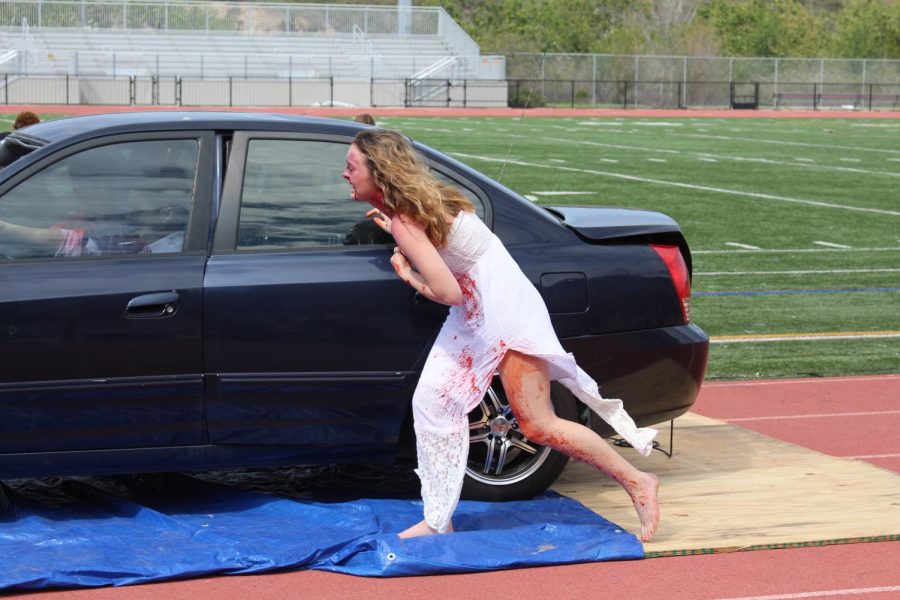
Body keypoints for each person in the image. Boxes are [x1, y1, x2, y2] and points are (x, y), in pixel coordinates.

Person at [342, 129, 660, 542]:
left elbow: (447, 291)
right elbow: (442, 253)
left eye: (351, 167)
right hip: (475, 313)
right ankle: (439, 518)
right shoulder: (413, 210)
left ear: (379, 172)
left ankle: (638, 481)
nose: (344, 174)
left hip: (504, 313)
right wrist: (399, 231)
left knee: (538, 423)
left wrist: (409, 275)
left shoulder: (406, 221)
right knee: (431, 403)